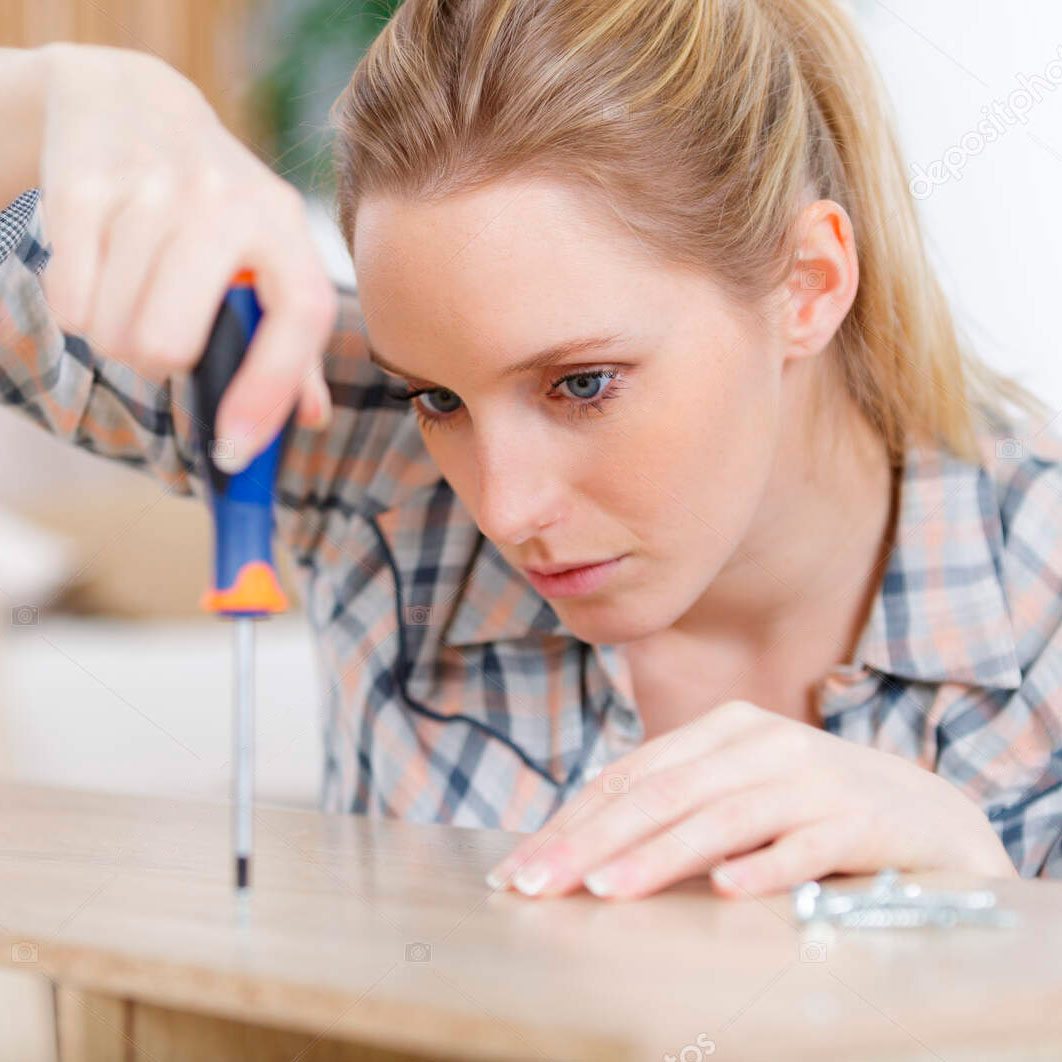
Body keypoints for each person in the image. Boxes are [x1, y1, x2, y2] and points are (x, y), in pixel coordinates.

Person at [0, 0, 1059, 903]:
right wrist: (56, 98)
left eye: (582, 384)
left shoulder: (1040, 587)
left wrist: (993, 906)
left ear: (809, 283)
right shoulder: (353, 444)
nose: (503, 509)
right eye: (438, 397)